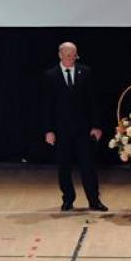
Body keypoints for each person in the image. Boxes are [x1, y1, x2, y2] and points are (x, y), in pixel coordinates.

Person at [42, 41, 106, 211]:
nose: (71, 58)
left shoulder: (85, 72)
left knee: (88, 166)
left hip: (83, 130)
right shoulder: (51, 75)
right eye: (68, 55)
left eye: (73, 55)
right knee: (64, 167)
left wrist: (96, 126)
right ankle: (68, 199)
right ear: (60, 55)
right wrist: (49, 130)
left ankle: (94, 200)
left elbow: (93, 102)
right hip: (61, 130)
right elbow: (48, 105)